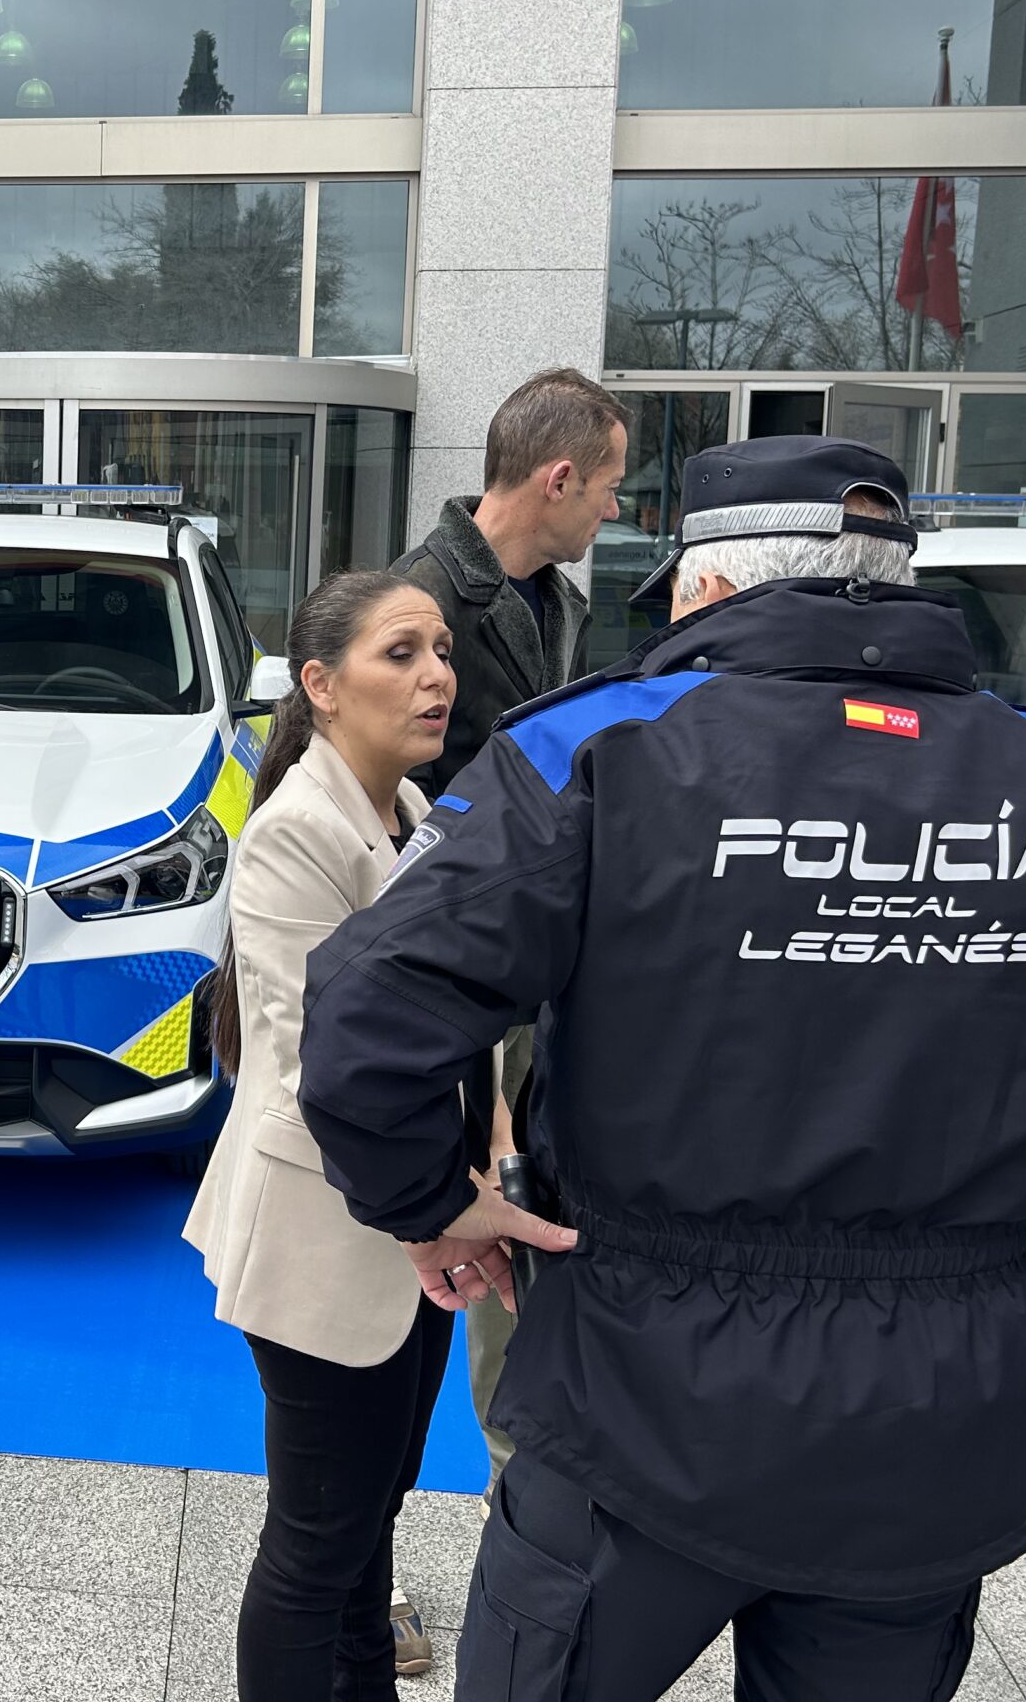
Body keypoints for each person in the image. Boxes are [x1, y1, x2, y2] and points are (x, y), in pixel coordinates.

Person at [297, 436, 1026, 1700]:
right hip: (939, 1411)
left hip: (640, 1397)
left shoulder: (597, 751)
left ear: (709, 588)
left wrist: (427, 1203)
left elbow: (366, 1013)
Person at [183, 570, 460, 1700]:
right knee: (314, 1549)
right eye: (401, 653)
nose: (436, 676)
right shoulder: (297, 829)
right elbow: (320, 1071)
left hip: (411, 1233)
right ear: (321, 684)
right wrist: (440, 1211)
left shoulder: (411, 814)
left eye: (441, 651)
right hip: (327, 1237)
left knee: (368, 1521)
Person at [389, 366, 629, 1489]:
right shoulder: (415, 599)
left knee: (514, 1217)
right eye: (611, 485)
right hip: (447, 976)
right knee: (442, 1244)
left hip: (538, 970)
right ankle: (466, 1505)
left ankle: (523, 1491)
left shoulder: (560, 604)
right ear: (559, 478)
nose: (616, 510)